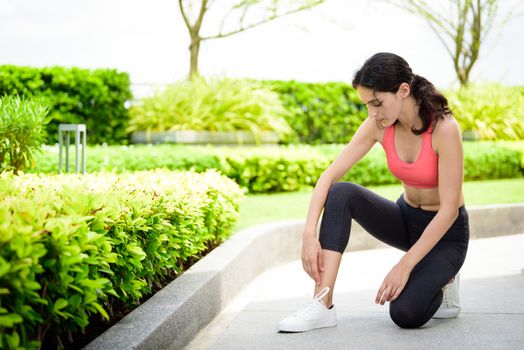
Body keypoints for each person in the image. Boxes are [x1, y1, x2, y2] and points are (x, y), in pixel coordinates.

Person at [276, 52, 469, 332]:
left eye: (377, 103)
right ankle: (322, 304)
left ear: (403, 90)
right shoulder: (379, 125)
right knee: (342, 193)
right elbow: (329, 176)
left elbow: (449, 210)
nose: (372, 113)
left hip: (447, 234)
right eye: (367, 104)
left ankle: (446, 277)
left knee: (405, 314)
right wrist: (308, 233)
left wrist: (403, 266)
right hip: (407, 220)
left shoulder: (445, 129)